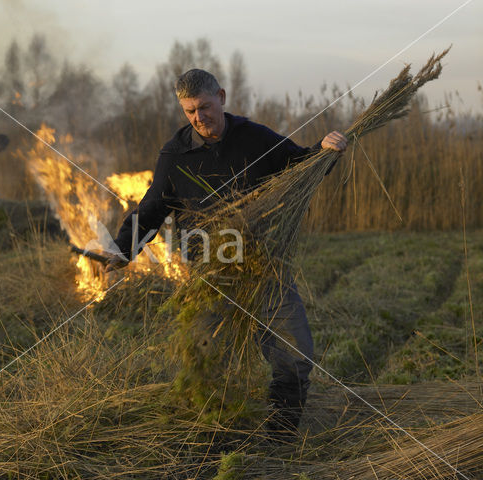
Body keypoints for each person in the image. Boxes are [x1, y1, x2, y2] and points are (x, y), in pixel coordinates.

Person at [104, 69, 347, 436]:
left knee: (295, 356)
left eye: (204, 107)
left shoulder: (255, 138)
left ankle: (279, 435)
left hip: (264, 267)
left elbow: (300, 167)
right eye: (189, 112)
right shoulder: (175, 154)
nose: (198, 118)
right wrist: (122, 250)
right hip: (208, 276)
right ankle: (215, 435)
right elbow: (152, 209)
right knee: (204, 361)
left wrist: (325, 152)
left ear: (220, 95)